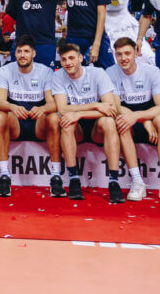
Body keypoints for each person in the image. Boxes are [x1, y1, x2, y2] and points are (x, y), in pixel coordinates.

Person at [107, 37, 160, 204]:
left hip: (151, 120)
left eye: (127, 54)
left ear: (136, 53)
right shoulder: (111, 72)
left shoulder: (152, 72)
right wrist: (141, 120)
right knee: (122, 122)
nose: (123, 58)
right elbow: (116, 106)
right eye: (119, 55)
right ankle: (137, 181)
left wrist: (140, 118)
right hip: (132, 122)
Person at [53, 42, 124, 203]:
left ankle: (114, 182)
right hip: (77, 126)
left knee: (108, 122)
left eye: (71, 58)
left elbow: (111, 108)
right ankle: (74, 179)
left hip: (95, 125)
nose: (68, 63)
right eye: (64, 60)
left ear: (80, 58)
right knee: (66, 122)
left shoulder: (97, 73)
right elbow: (63, 109)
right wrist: (95, 105)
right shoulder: (58, 76)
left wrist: (79, 114)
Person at [0, 35, 62, 198]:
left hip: (38, 124)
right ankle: (4, 175)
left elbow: (53, 104)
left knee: (53, 117)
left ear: (33, 54)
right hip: (16, 123)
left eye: (26, 51)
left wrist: (43, 108)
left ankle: (56, 176)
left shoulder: (45, 72)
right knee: (0, 116)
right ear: (14, 54)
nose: (22, 55)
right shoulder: (5, 71)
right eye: (19, 51)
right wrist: (12, 106)